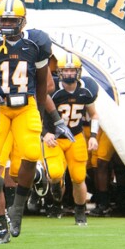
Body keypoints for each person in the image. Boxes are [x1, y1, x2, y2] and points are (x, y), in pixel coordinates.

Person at [0, 0, 62, 241]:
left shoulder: (36, 42)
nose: (8, 24)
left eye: (12, 20)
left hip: (26, 106)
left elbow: (43, 83)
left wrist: (42, 116)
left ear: (23, 22)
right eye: (4, 20)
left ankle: (18, 208)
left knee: (32, 154)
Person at [44, 53, 99, 226]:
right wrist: (45, 133)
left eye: (72, 70)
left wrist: (94, 136)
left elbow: (94, 114)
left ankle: (80, 213)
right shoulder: (53, 90)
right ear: (59, 72)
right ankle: (55, 189)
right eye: (65, 70)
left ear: (78, 71)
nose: (68, 74)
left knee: (78, 177)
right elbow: (38, 113)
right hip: (55, 138)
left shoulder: (86, 90)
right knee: (54, 174)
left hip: (75, 136)